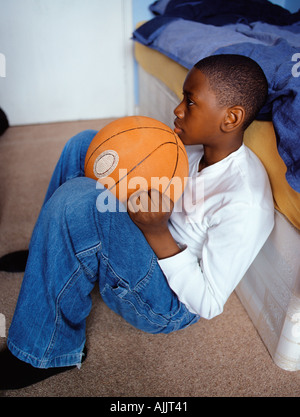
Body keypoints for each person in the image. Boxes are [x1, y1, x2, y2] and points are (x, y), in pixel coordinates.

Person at [0, 54, 274, 390]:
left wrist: (156, 232)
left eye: (190, 102)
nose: (177, 110)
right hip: (151, 235)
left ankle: (45, 350)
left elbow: (207, 302)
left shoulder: (244, 201)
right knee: (86, 145)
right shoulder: (191, 151)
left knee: (82, 199)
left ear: (231, 118)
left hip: (168, 302)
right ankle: (51, 254)